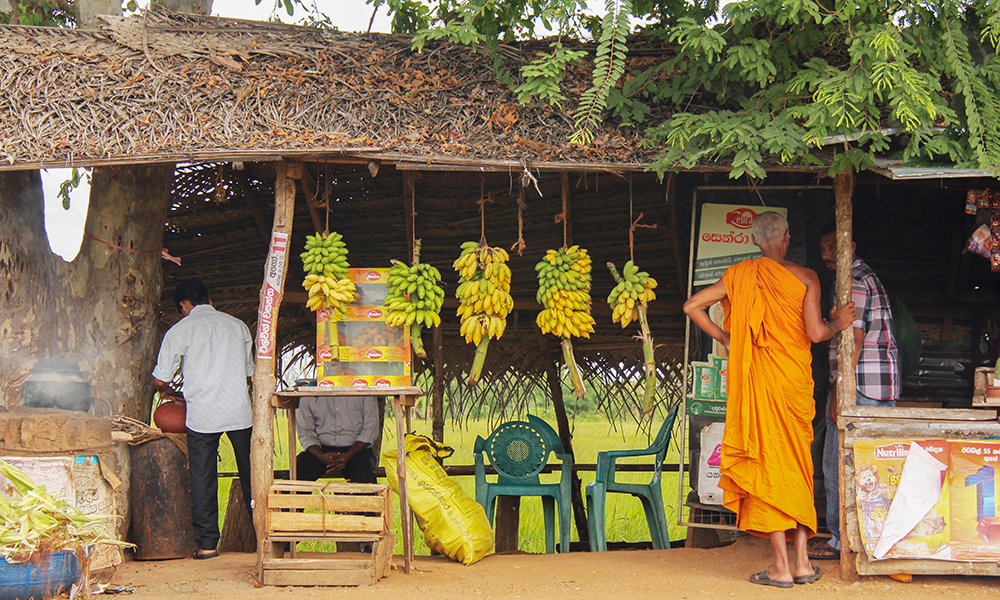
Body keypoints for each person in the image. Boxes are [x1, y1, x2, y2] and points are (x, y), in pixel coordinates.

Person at [683, 212, 855, 588]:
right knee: (794, 466)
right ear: (787, 238)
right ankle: (802, 564)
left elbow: (692, 306)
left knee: (764, 463)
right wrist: (839, 323)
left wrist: (727, 339)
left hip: (758, 385)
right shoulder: (806, 277)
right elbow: (815, 332)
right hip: (792, 386)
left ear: (757, 241)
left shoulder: (739, 275)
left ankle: (780, 567)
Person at [809, 226, 900, 560]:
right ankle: (870, 538)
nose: (826, 255)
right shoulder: (863, 277)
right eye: (823, 249)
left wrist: (840, 393)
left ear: (850, 246)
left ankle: (840, 539)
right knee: (871, 467)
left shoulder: (855, 282)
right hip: (876, 384)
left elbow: (855, 341)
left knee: (838, 462)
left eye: (832, 247)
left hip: (860, 386)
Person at [151, 279, 254, 560]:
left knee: (203, 480)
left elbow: (161, 378)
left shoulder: (181, 329)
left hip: (202, 415)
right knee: (251, 477)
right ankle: (265, 538)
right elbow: (248, 374)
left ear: (185, 305)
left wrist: (168, 391)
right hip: (238, 413)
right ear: (209, 299)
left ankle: (208, 546)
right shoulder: (238, 326)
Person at [295, 395, 379, 484]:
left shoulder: (364, 392)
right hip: (320, 451)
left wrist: (349, 454)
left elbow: (369, 429)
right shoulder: (308, 395)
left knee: (363, 475)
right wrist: (321, 456)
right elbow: (306, 433)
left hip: (357, 450)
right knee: (296, 474)